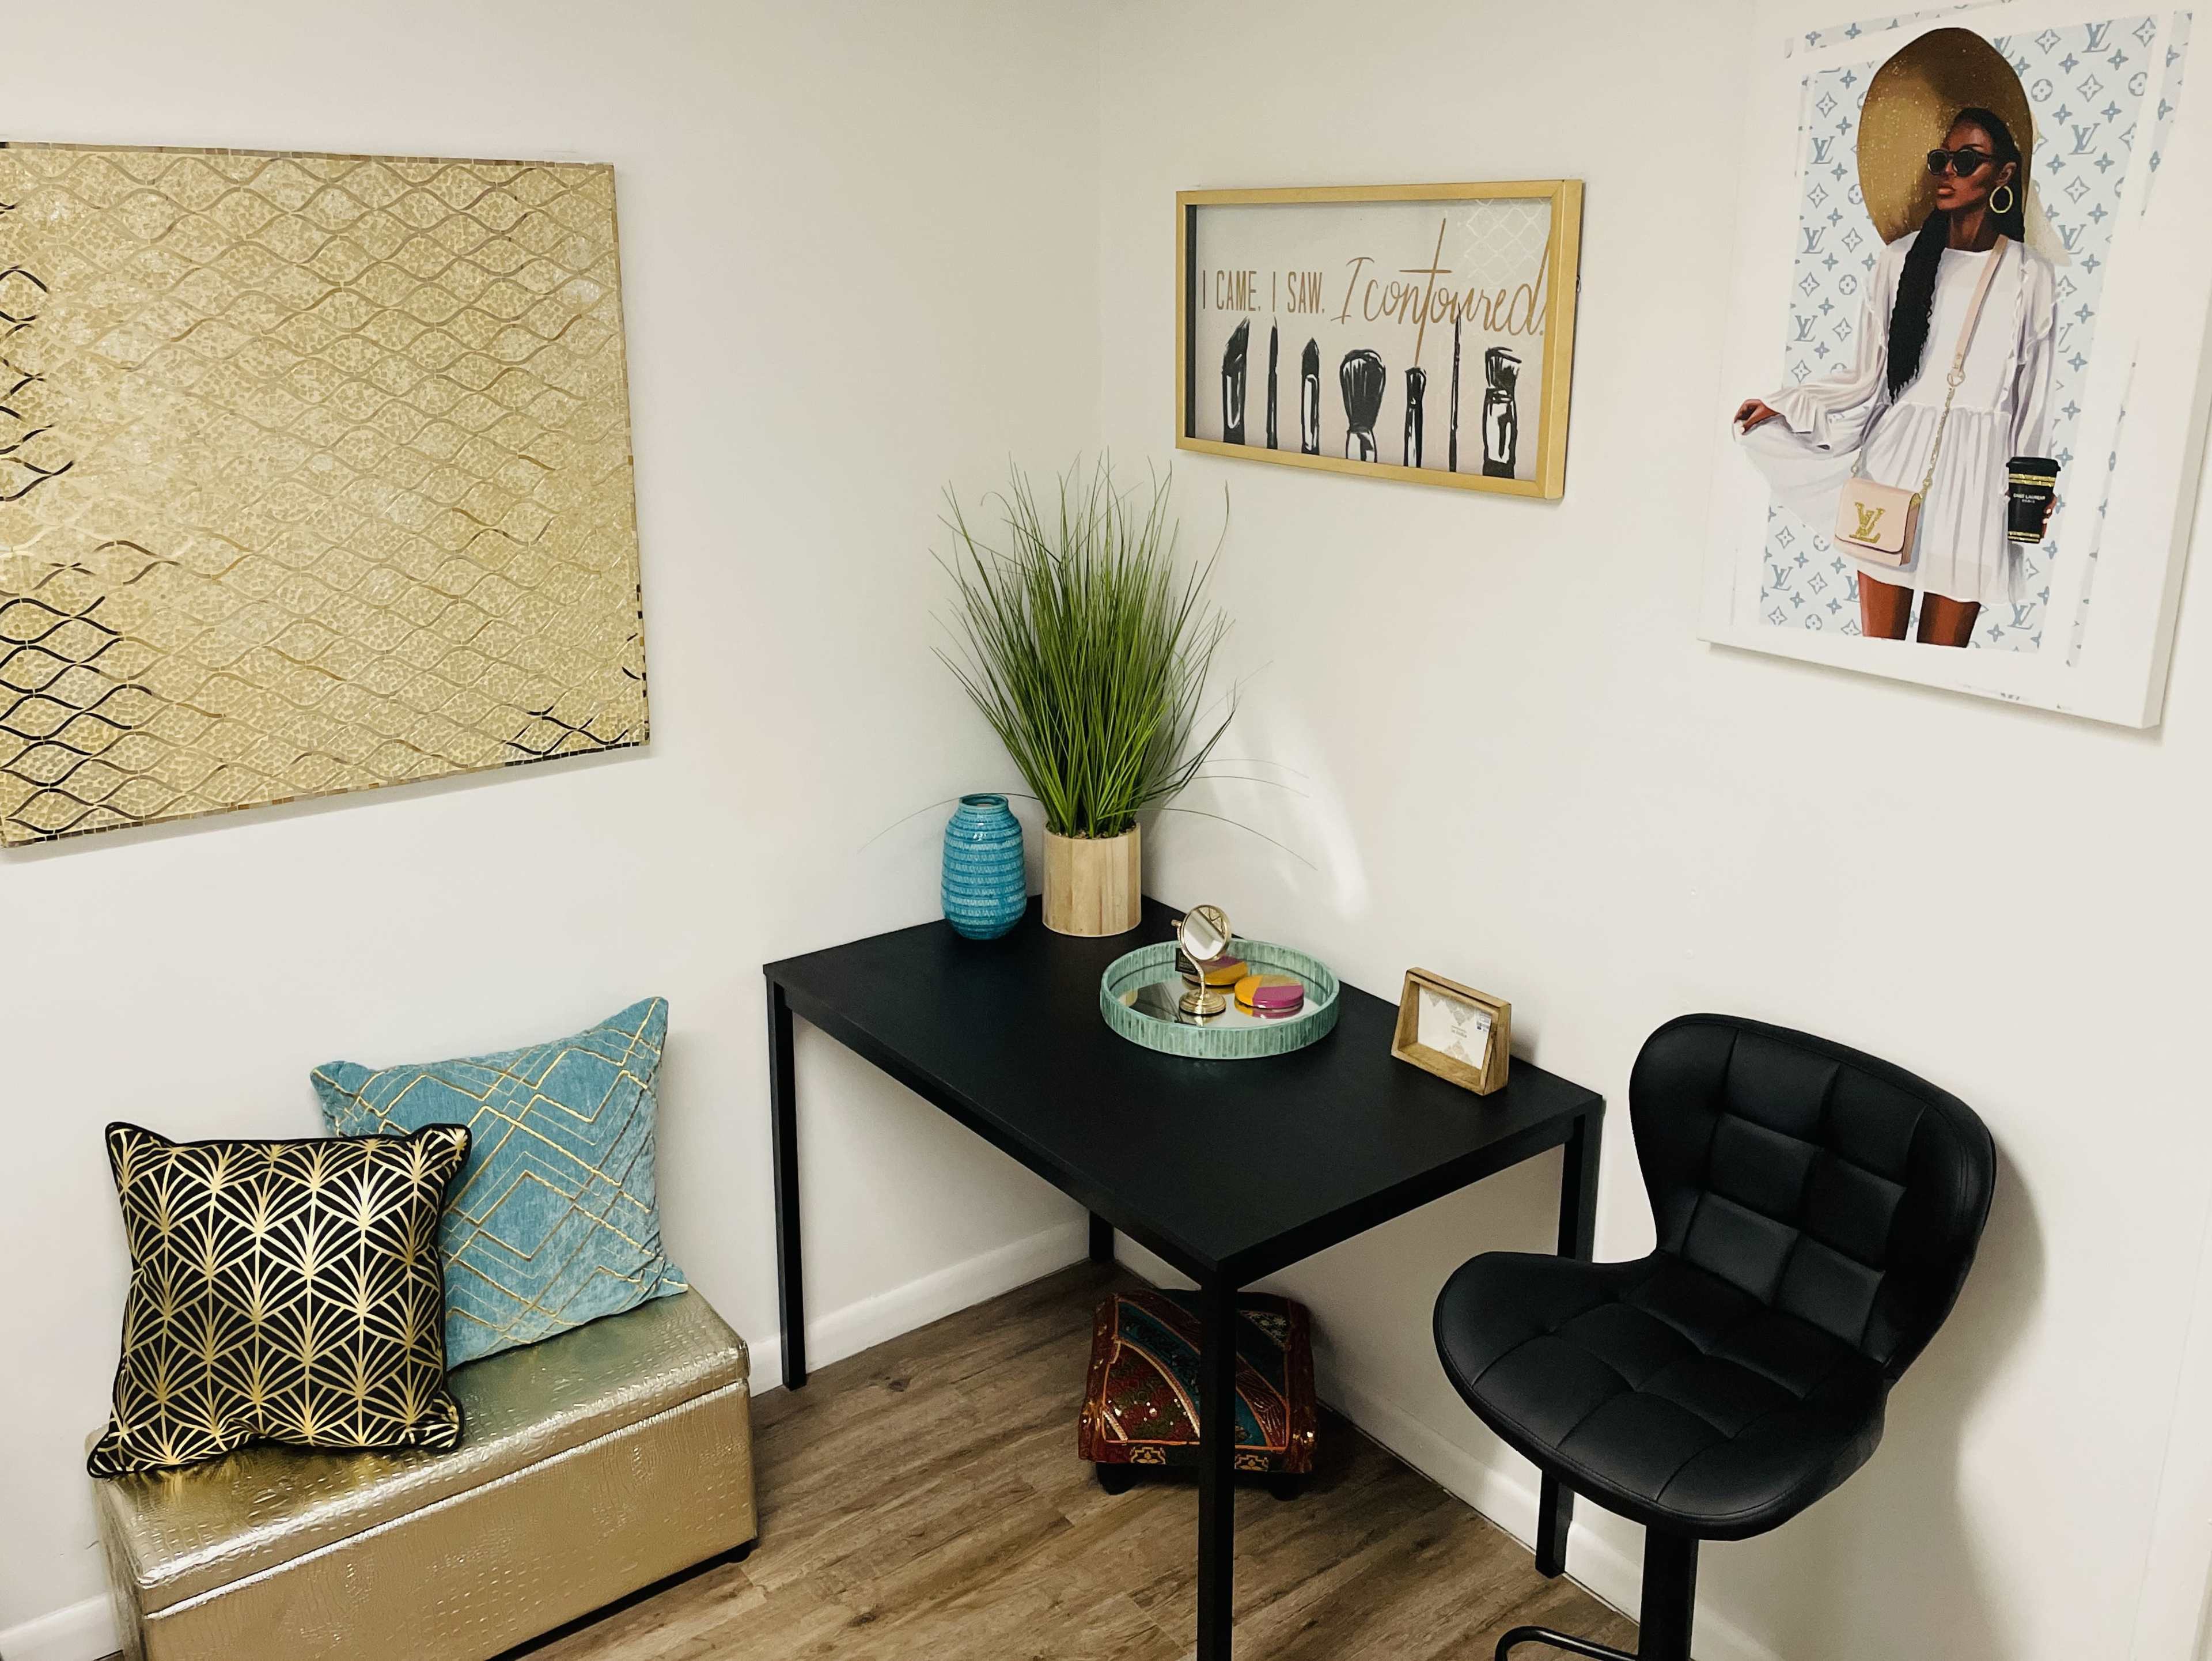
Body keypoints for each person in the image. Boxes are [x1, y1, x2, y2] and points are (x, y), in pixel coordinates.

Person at [1736, 107, 2057, 646]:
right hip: (1893, 466)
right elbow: (1867, 376)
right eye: (1942, 160)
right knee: (1875, 653)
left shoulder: (2031, 274)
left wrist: (2030, 488)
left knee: (1940, 667)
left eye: (1966, 160)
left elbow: (2034, 396)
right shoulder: (1899, 260)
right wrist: (1789, 404)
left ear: (2004, 174)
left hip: (1979, 480)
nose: (1948, 172)